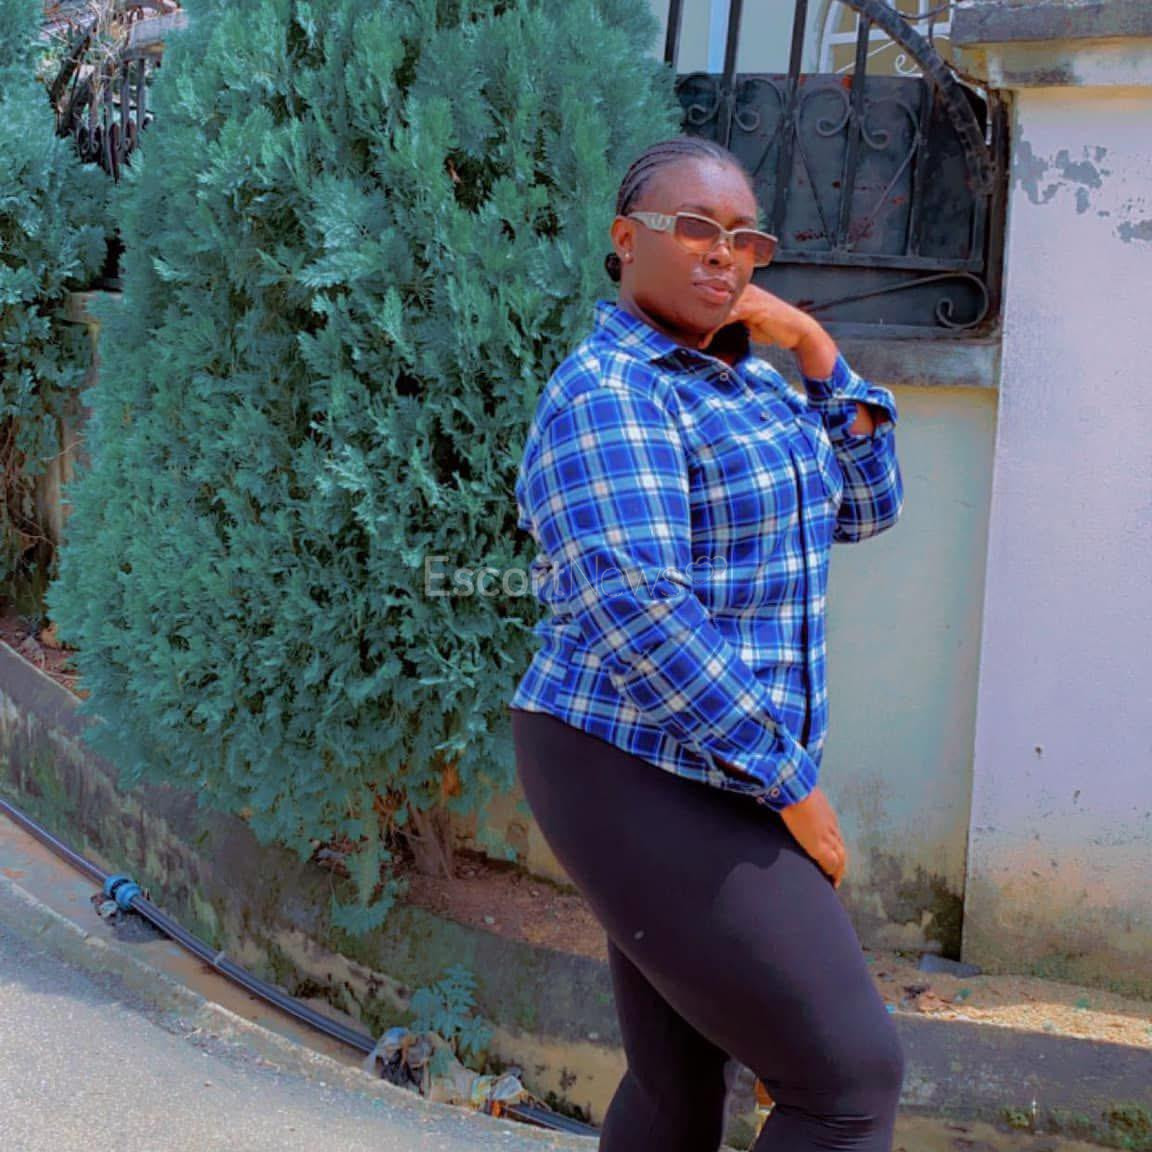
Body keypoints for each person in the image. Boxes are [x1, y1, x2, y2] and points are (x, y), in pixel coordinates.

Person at [507, 136, 906, 1152]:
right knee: (848, 1080)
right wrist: (790, 784)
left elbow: (867, 506)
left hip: (720, 760)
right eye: (694, 228)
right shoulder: (611, 391)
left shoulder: (755, 389)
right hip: (627, 761)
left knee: (678, 1087)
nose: (723, 254)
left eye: (744, 238)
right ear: (624, 238)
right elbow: (641, 613)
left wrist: (813, 348)